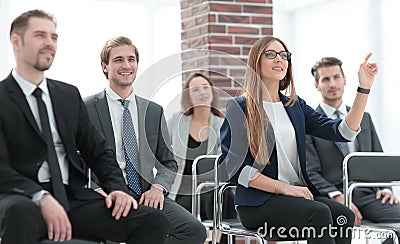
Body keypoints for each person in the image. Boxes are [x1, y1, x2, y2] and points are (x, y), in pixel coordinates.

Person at [0, 9, 169, 244]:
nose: (50, 43)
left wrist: (116, 189)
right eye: (40, 35)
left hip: (73, 198)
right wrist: (40, 196)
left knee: (152, 220)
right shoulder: (2, 98)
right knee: (20, 212)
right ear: (16, 41)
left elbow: (98, 151)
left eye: (54, 37)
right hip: (21, 197)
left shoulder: (67, 95)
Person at [220, 35, 378, 243]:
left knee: (343, 216)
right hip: (258, 203)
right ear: (256, 63)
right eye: (271, 54)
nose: (279, 59)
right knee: (319, 213)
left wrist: (363, 88)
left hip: (296, 197)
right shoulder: (239, 107)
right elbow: (237, 170)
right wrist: (285, 188)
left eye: (284, 55)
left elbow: (343, 132)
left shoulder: (295, 107)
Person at [84, 36, 206, 244]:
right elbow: (76, 161)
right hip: (106, 196)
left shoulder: (153, 111)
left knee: (194, 231)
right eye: (118, 60)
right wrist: (97, 191)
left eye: (131, 59)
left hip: (146, 195)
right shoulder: (86, 108)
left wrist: (158, 188)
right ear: (105, 67)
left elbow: (168, 162)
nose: (126, 65)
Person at [306, 57, 400, 234]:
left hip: (368, 194)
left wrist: (386, 188)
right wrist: (337, 196)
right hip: (333, 196)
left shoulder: (364, 118)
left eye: (336, 77)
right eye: (325, 79)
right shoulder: (310, 122)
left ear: (345, 80)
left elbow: (379, 159)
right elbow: (310, 171)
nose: (332, 83)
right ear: (317, 85)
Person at [167, 72, 236, 244]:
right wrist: (169, 157)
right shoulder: (176, 120)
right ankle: (210, 234)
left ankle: (215, 235)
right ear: (188, 97)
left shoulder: (222, 124)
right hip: (182, 188)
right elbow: (162, 149)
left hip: (212, 188)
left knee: (216, 193)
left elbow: (225, 161)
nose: (202, 92)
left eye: (206, 87)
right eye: (195, 89)